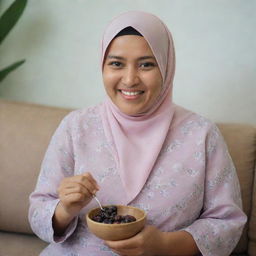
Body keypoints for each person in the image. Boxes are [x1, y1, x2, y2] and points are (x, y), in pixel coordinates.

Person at [29, 11, 247, 256]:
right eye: (116, 64)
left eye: (146, 64)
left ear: (166, 66)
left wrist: (165, 246)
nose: (130, 79)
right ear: (103, 65)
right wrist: (65, 209)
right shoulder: (75, 127)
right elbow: (37, 213)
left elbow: (227, 223)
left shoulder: (202, 135)